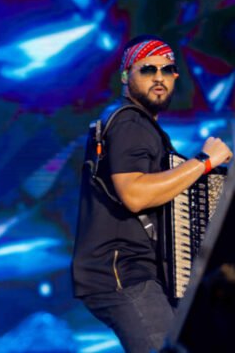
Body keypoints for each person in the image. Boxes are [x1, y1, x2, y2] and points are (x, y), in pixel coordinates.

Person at [72, 36, 232, 352]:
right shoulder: (130, 120)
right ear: (125, 76)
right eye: (147, 69)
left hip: (135, 273)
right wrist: (204, 162)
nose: (159, 77)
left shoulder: (139, 124)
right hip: (125, 273)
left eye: (167, 70)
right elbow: (135, 195)